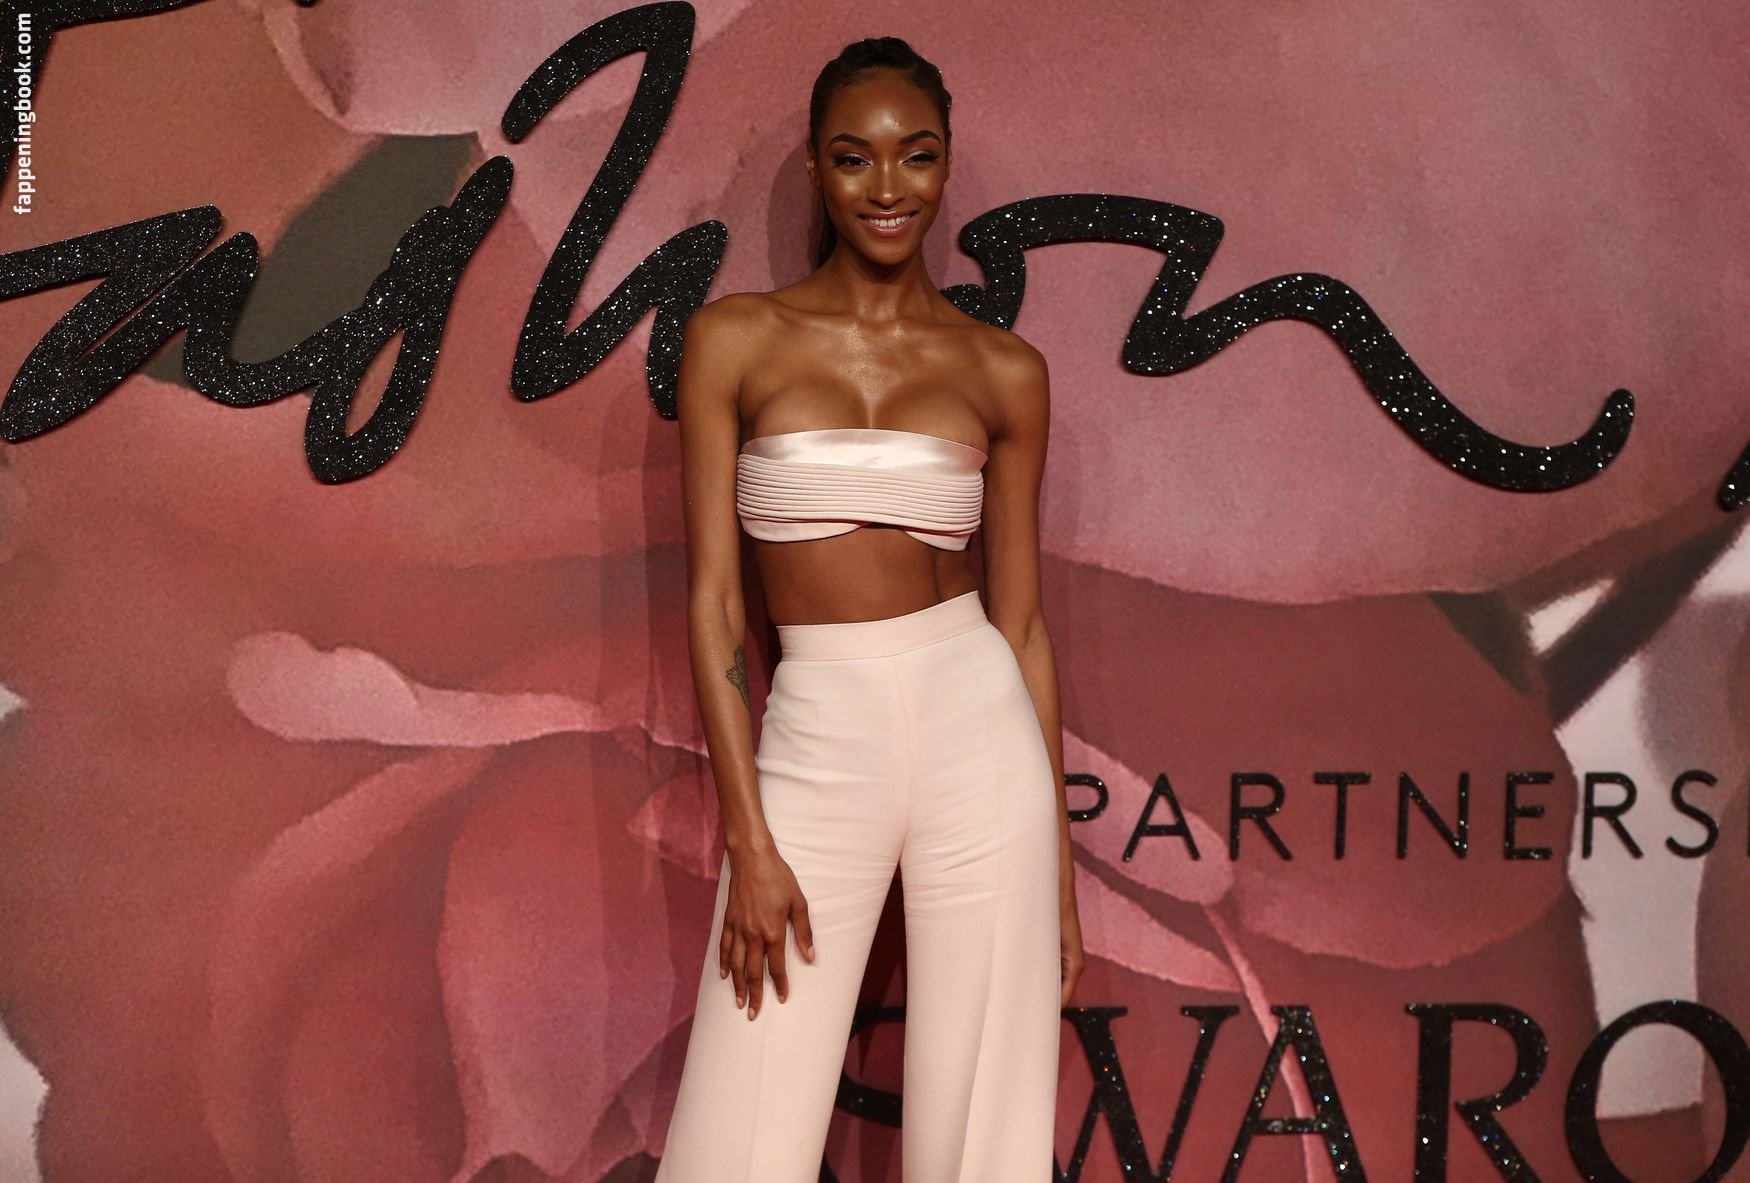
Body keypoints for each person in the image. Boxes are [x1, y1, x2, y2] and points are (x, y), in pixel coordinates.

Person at [654, 35, 1083, 1183]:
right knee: (741, 1122)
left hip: (975, 720)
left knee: (984, 1130)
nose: (888, 187)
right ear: (817, 167)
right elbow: (715, 603)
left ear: (945, 165)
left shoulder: (1003, 369)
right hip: (817, 726)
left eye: (916, 156)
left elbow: (1022, 626)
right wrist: (748, 837)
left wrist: (1058, 872)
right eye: (855, 158)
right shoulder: (734, 340)